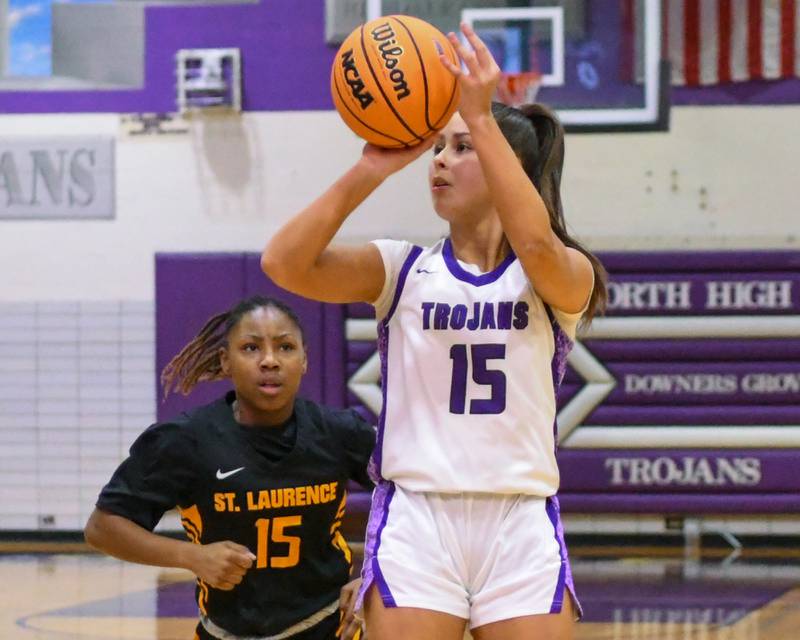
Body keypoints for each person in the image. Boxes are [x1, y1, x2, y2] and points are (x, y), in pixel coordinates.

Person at [261, 22, 607, 640]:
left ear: (510, 171)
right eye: (439, 147)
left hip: (519, 521)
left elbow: (531, 239)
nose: (440, 161)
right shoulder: (402, 268)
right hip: (417, 517)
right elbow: (283, 263)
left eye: (462, 147)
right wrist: (371, 166)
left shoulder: (563, 274)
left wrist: (480, 118)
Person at [84, 296, 375, 640]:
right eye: (251, 348)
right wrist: (191, 556)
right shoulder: (184, 440)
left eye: (285, 347)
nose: (269, 360)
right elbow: (102, 527)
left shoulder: (341, 432)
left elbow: (407, 500)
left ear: (304, 360)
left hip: (328, 627)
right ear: (226, 361)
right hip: (227, 631)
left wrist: (375, 573)